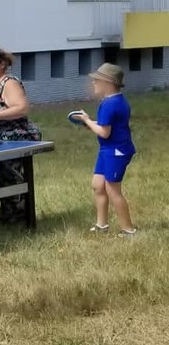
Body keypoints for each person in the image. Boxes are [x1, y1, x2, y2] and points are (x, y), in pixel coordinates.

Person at [0, 48, 42, 224]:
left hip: (14, 136)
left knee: (7, 171)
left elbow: (21, 108)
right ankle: (8, 212)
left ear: (2, 64)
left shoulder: (9, 83)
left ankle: (19, 214)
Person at [76, 63, 137, 236]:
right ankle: (101, 225)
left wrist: (87, 121)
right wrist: (91, 123)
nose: (93, 82)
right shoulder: (116, 100)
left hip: (116, 151)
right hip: (108, 149)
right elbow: (107, 126)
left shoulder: (109, 104)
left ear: (108, 82)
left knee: (112, 189)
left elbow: (104, 132)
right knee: (98, 185)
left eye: (97, 79)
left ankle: (128, 230)